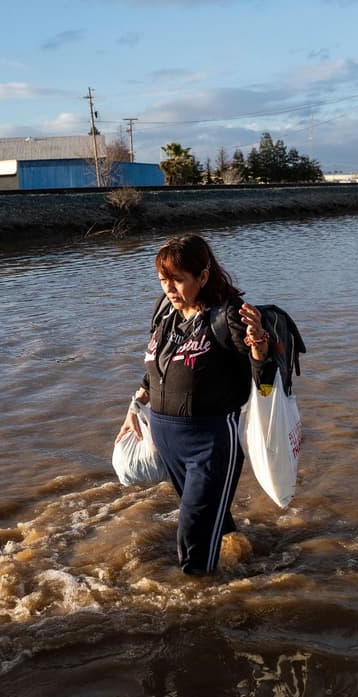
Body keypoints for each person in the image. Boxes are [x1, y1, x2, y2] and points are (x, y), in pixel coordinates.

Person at [118, 233, 275, 575]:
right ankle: (244, 556)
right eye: (163, 280)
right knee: (208, 518)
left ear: (202, 277)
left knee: (192, 537)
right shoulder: (165, 313)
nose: (169, 289)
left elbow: (263, 377)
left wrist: (259, 345)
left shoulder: (228, 317)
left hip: (210, 442)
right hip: (166, 437)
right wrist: (134, 407)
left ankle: (200, 602)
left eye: (178, 280)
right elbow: (154, 370)